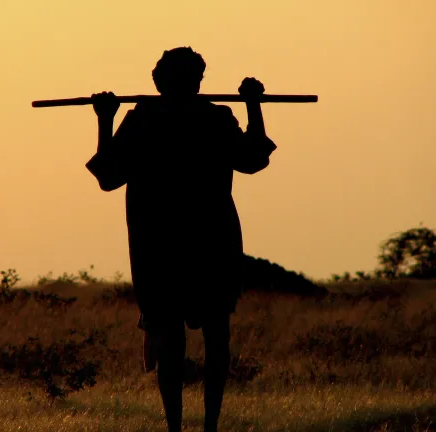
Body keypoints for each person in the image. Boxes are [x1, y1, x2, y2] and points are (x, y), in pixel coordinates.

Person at [86, 47, 276, 432]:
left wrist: (105, 120)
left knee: (192, 339)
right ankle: (198, 427)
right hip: (189, 245)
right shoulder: (196, 119)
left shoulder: (158, 120)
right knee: (191, 339)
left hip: (176, 246)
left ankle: (195, 427)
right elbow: (254, 159)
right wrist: (253, 106)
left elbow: (108, 176)